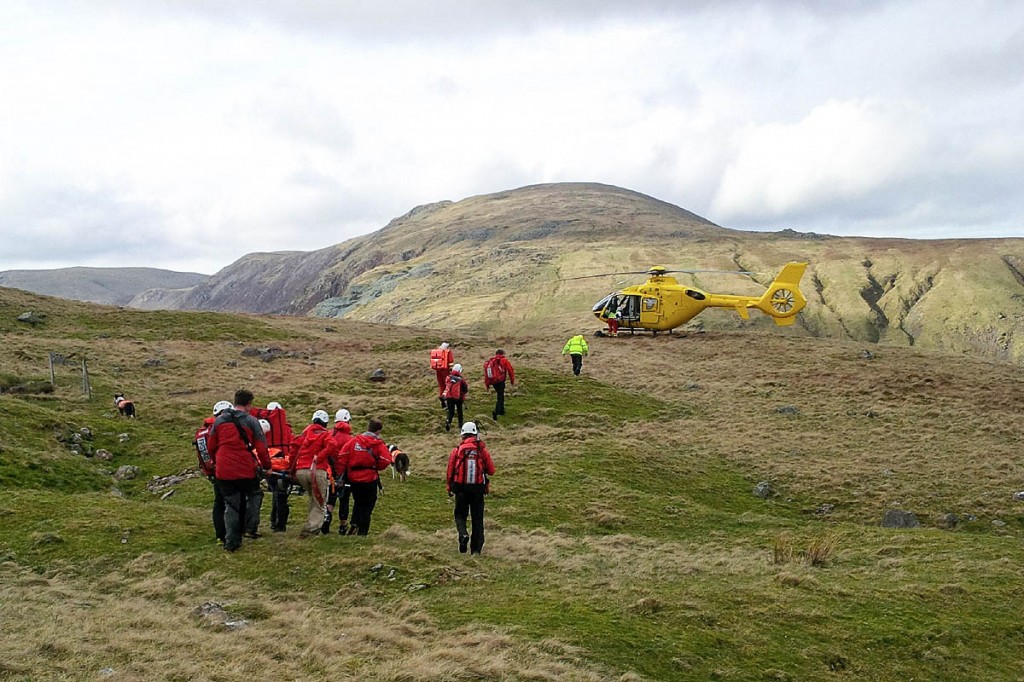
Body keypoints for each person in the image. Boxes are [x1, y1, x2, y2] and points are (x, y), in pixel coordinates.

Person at [207, 389, 271, 552]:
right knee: (254, 495)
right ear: (248, 404)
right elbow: (262, 448)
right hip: (244, 469)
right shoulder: (251, 421)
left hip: (224, 470)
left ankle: (231, 542)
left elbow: (211, 446)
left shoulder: (219, 421)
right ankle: (249, 528)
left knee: (231, 504)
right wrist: (267, 466)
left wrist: (216, 462)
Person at [288, 410, 341, 537]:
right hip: (317, 471)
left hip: (301, 471)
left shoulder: (304, 434)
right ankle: (311, 530)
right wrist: (320, 457)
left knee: (313, 497)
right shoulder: (325, 435)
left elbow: (293, 450)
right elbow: (333, 445)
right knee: (320, 501)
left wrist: (292, 469)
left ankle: (310, 523)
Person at [446, 422, 495, 555]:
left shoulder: (457, 450)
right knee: (477, 519)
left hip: (461, 489)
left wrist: (449, 486)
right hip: (478, 490)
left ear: (462, 435)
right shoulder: (481, 450)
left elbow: (450, 470)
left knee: (460, 515)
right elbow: (491, 470)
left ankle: (463, 535)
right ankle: (476, 551)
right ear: (475, 434)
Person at [338, 418, 392, 536]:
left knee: (358, 501)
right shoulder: (378, 444)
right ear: (378, 431)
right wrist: (376, 467)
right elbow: (386, 460)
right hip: (369, 478)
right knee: (368, 504)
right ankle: (362, 531)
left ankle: (354, 523)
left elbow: (342, 455)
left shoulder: (354, 441)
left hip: (354, 478)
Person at [193, 399, 233, 545]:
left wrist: (209, 470)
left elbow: (204, 454)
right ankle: (233, 533)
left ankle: (220, 536)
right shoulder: (223, 429)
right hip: (226, 470)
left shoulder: (202, 433)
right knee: (233, 501)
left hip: (213, 472)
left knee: (219, 502)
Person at [323, 408, 355, 534]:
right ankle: (343, 526)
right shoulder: (350, 439)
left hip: (330, 471)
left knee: (331, 497)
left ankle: (327, 518)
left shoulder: (329, 434)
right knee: (344, 500)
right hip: (344, 473)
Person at [263, 418, 292, 533]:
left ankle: (275, 522)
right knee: (280, 497)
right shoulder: (286, 430)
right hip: (282, 468)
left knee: (277, 496)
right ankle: (279, 524)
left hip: (271, 468)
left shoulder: (255, 431)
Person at [483, 349, 515, 421]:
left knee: (500, 395)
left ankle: (501, 410)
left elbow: (486, 374)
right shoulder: (504, 360)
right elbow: (510, 370)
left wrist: (487, 384)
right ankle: (498, 411)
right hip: (500, 381)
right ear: (502, 353)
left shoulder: (491, 361)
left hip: (494, 382)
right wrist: (512, 381)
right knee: (500, 396)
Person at [443, 363, 469, 431]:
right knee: (459, 411)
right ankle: (460, 425)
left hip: (449, 397)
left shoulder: (448, 377)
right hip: (459, 398)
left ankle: (448, 421)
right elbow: (465, 389)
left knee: (451, 411)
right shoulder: (461, 379)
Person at [430, 341, 455, 409]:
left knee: (441, 385)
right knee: (448, 385)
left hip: (438, 370)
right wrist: (451, 370)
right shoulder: (447, 352)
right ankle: (446, 399)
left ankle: (441, 397)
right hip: (445, 370)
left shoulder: (437, 351)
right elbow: (450, 361)